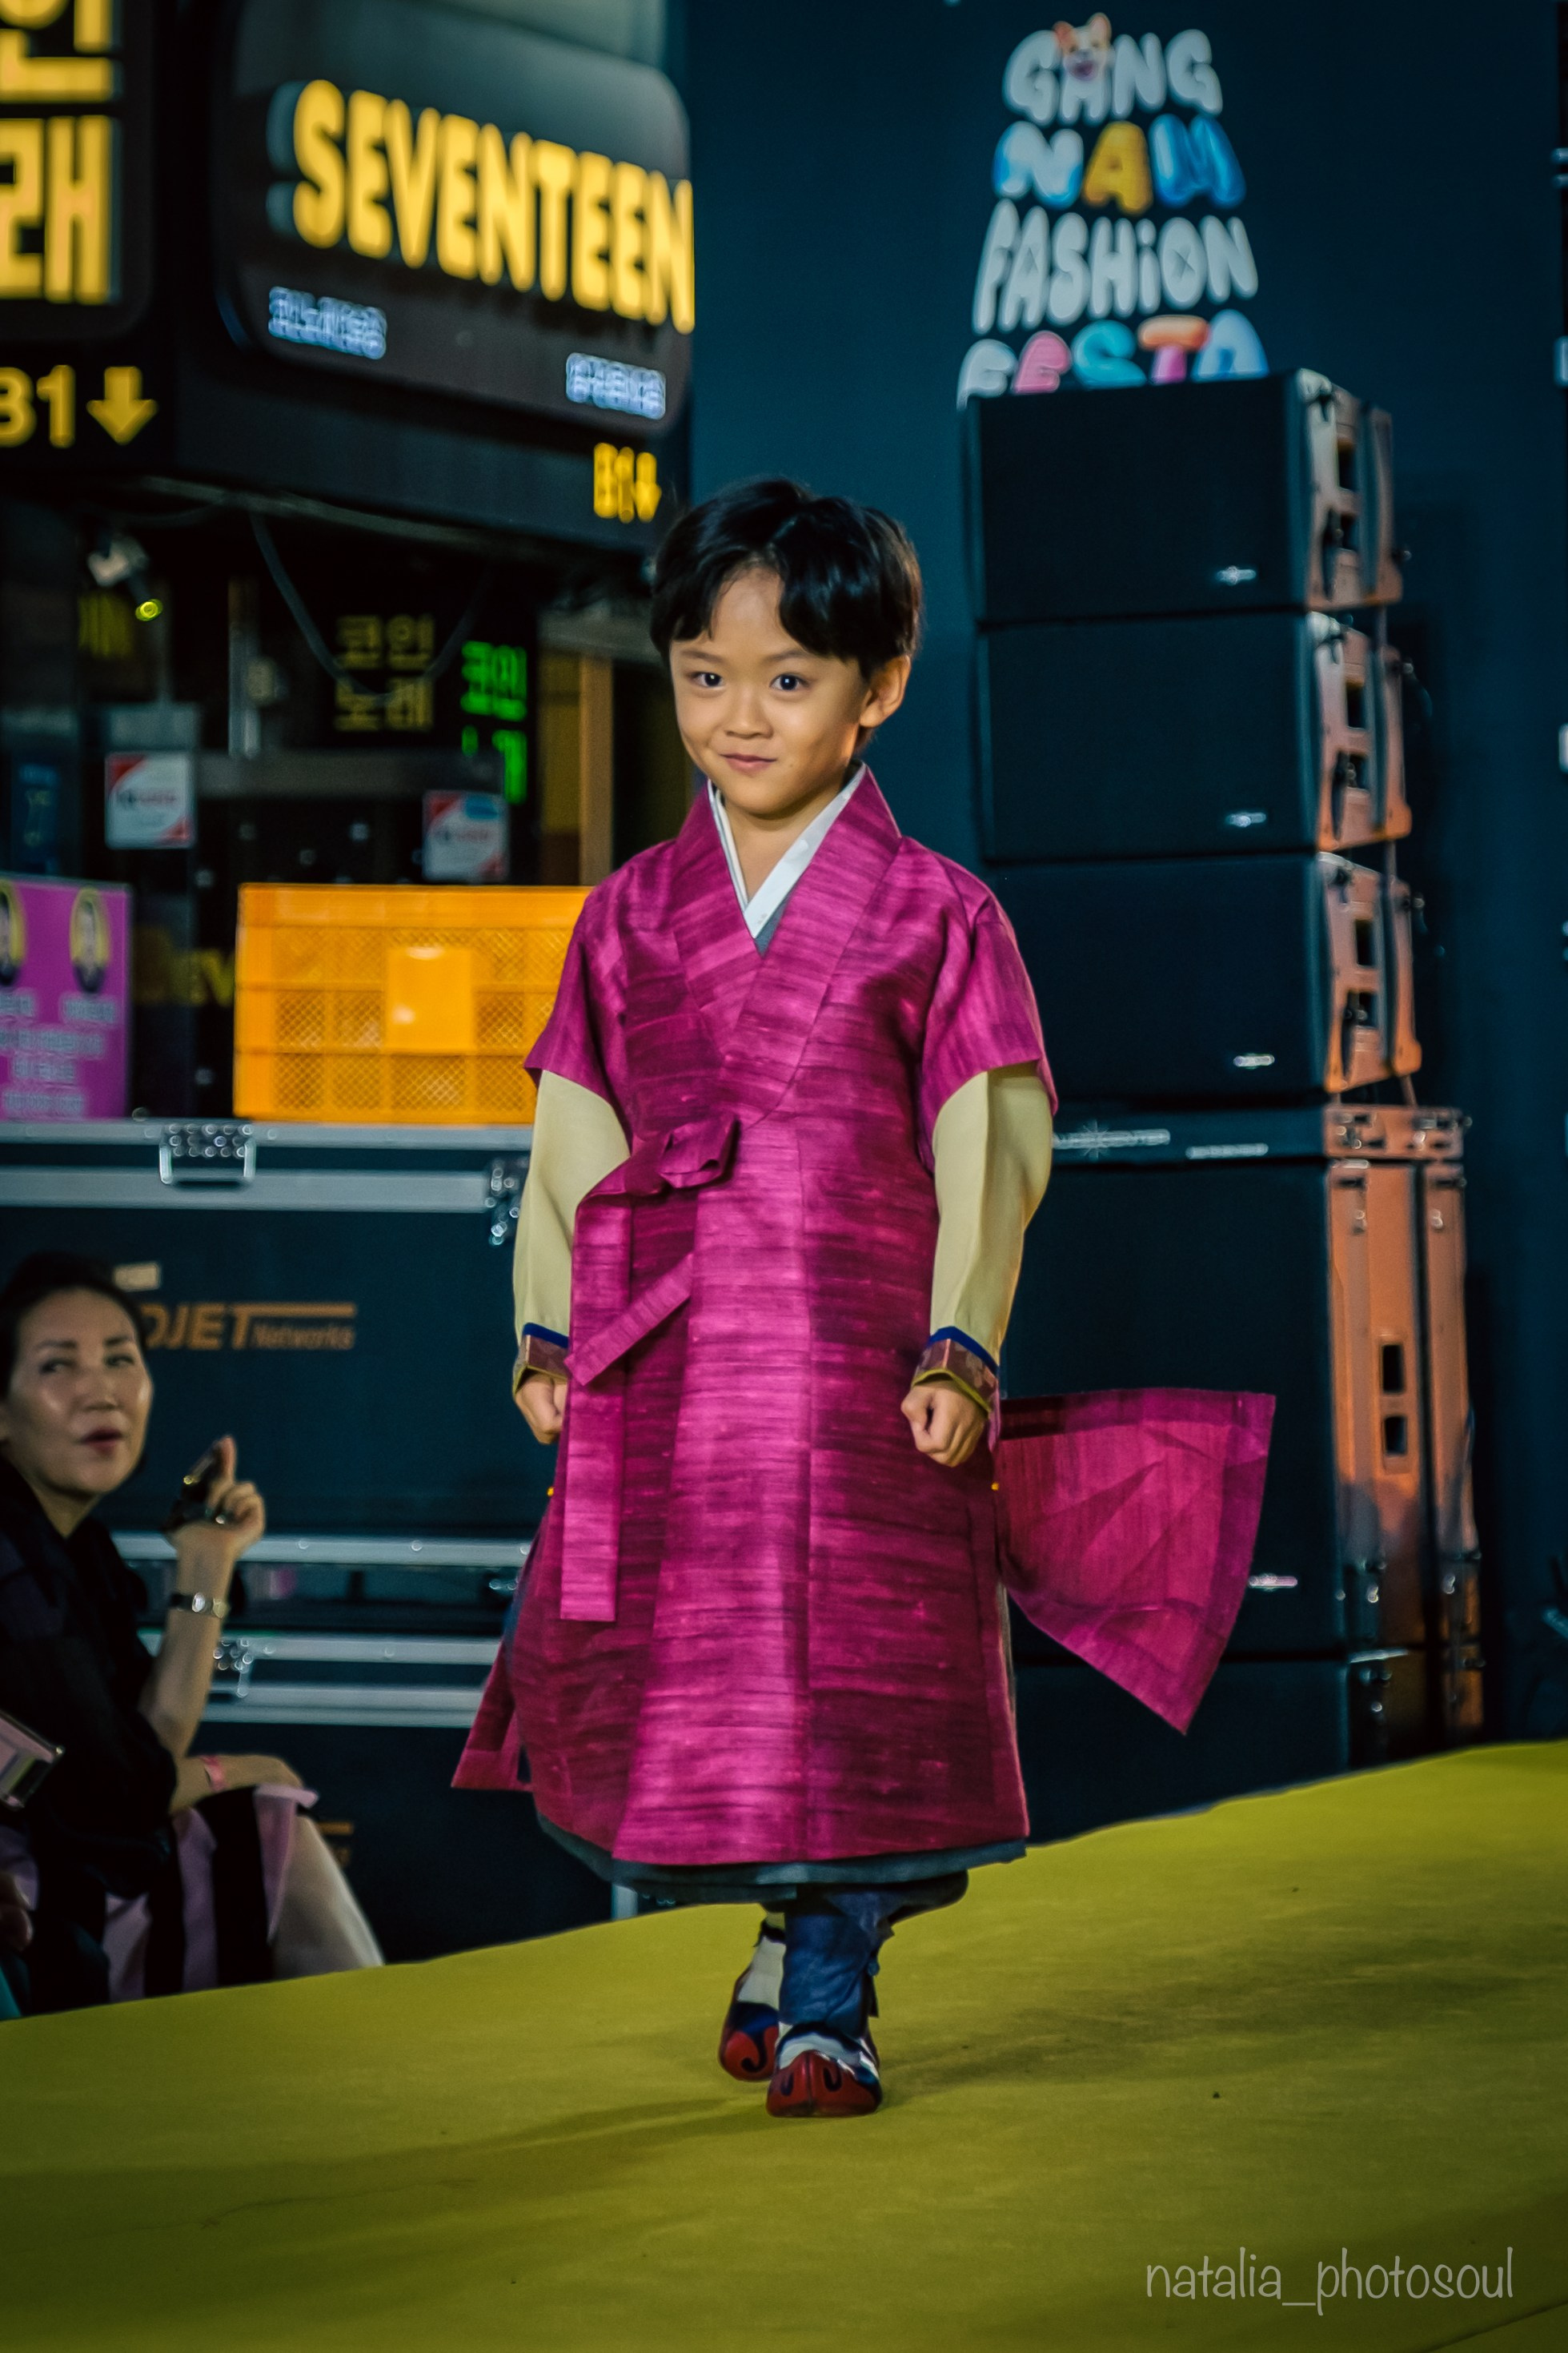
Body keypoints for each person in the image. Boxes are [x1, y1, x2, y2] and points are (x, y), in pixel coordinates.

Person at [456, 480, 1055, 2117]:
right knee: (719, 1679)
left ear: (883, 681)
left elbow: (985, 1136)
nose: (738, 713)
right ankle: (785, 1944)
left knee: (857, 1681)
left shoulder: (939, 914)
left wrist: (961, 1333)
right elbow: (570, 1129)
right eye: (702, 672)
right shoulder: (630, 914)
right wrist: (550, 1322)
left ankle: (824, 2009)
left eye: (788, 675)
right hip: (680, 1369)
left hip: (868, 1365)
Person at [0, 1252, 381, 2014]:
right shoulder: (11, 1563)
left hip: (62, 1853)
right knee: (266, 1827)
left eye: (120, 1359)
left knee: (263, 1828)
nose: (100, 1390)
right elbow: (115, 1797)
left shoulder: (74, 1549)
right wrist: (234, 1770)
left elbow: (142, 1751)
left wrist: (206, 1563)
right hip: (24, 1890)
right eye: (57, 1366)